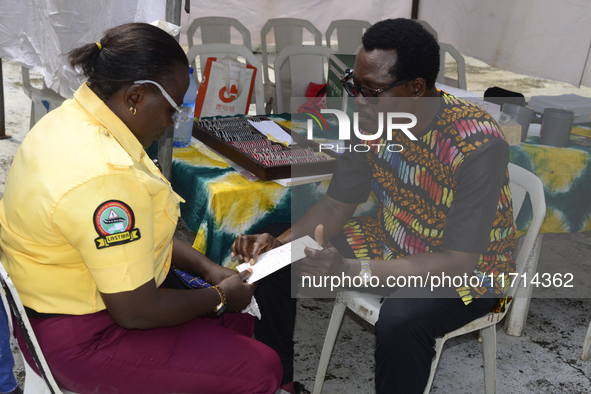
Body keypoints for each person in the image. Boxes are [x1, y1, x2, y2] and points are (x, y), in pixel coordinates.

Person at [232, 18, 516, 394]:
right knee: (272, 265)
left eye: (372, 90)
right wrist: (277, 246)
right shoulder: (372, 121)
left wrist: (350, 269)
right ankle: (277, 384)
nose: (359, 101)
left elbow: (458, 261)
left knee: (401, 319)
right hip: (392, 238)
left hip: (471, 271)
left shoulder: (477, 145)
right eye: (354, 85)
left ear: (416, 89)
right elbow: (335, 206)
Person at [0, 23, 282, 394]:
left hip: (68, 304)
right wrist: (220, 297)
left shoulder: (71, 120)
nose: (172, 122)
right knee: (263, 368)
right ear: (135, 96)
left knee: (234, 327)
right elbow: (137, 312)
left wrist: (208, 269)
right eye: (172, 109)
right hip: (85, 338)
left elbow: (140, 236)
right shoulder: (105, 176)